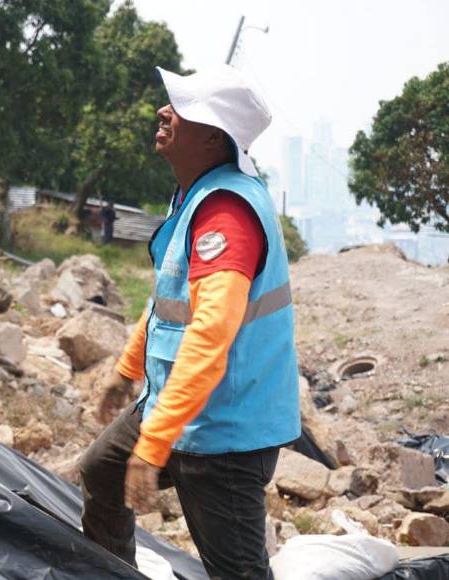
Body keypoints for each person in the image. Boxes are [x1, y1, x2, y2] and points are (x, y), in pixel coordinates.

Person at [79, 64, 300, 579]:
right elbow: (170, 300)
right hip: (179, 408)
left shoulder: (227, 216)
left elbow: (209, 337)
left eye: (181, 108)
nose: (163, 111)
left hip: (224, 433)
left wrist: (152, 445)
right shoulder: (197, 196)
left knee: (237, 571)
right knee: (101, 472)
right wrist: (128, 368)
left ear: (215, 138)